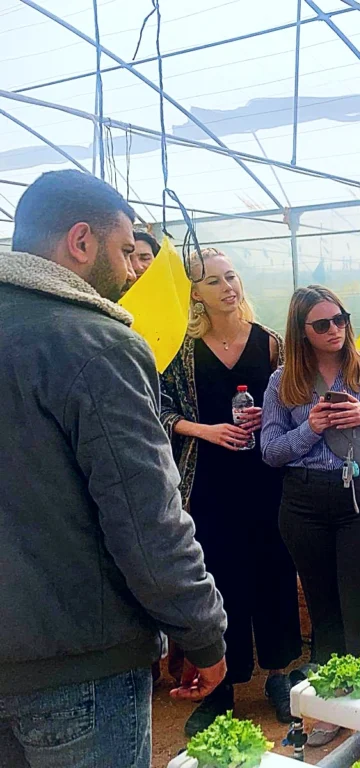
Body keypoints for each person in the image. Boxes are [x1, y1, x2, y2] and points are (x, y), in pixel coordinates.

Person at [0, 170, 227, 767]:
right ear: (80, 241)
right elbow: (147, 516)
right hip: (79, 662)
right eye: (127, 251)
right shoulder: (96, 342)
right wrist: (202, 633)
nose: (133, 271)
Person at [262, 285, 360, 747]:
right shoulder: (282, 382)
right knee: (324, 614)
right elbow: (270, 451)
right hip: (303, 502)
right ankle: (329, 705)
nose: (335, 330)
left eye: (340, 319)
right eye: (322, 324)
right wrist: (311, 427)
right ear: (301, 332)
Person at [160, 248, 302, 735]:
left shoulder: (270, 344)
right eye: (213, 280)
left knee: (276, 571)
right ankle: (222, 686)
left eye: (232, 276)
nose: (228, 287)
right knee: (221, 579)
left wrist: (271, 417)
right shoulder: (178, 349)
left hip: (267, 477)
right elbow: (157, 411)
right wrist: (206, 430)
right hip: (209, 481)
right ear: (194, 293)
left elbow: (294, 404)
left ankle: (279, 675)